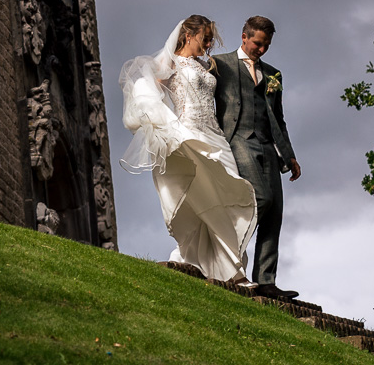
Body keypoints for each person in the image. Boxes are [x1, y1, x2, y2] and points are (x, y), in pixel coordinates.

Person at [118, 16, 257, 283]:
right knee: (204, 199)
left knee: (228, 192)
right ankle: (233, 273)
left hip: (216, 137)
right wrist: (159, 118)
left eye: (210, 39)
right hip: (189, 132)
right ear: (188, 34)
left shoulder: (206, 65)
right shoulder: (169, 64)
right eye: (205, 38)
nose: (208, 44)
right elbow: (144, 87)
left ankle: (226, 266)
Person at [212, 15, 301, 299]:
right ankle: (226, 258)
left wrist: (290, 156)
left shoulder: (274, 74)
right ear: (244, 37)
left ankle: (266, 281)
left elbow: (280, 118)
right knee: (261, 198)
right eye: (257, 44)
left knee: (275, 211)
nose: (261, 50)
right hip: (237, 138)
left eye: (266, 46)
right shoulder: (220, 63)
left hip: (268, 144)